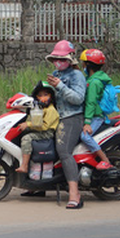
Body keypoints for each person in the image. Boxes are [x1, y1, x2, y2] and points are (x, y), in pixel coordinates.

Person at [45, 40, 87, 209]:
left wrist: (60, 86)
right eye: (55, 58)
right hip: (59, 117)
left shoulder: (77, 76)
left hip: (72, 118)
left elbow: (78, 99)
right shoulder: (57, 73)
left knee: (64, 152)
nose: (58, 62)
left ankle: (74, 194)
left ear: (70, 59)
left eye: (61, 59)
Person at [79, 48, 113, 170]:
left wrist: (87, 122)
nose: (81, 65)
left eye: (83, 63)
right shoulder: (95, 78)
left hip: (95, 117)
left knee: (84, 136)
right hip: (95, 115)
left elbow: (91, 102)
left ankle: (104, 159)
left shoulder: (94, 83)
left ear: (88, 65)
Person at [15, 82, 60, 174]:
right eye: (40, 95)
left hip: (46, 133)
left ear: (51, 96)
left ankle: (24, 165)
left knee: (26, 138)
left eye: (46, 95)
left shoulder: (51, 110)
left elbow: (44, 126)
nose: (43, 97)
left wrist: (28, 124)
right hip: (39, 130)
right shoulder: (39, 108)